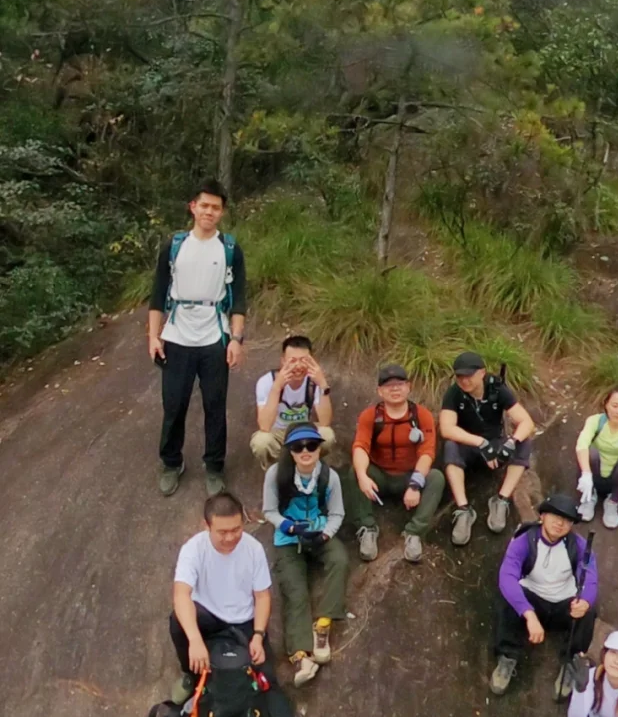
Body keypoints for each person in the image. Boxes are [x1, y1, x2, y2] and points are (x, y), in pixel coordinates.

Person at [171, 491, 326, 717]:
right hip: (207, 616)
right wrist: (195, 639)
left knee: (264, 675)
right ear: (206, 526)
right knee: (177, 621)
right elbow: (181, 594)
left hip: (242, 622)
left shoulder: (252, 548)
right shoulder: (193, 549)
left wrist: (258, 634)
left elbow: (263, 596)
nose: (230, 537)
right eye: (222, 532)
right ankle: (191, 676)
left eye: (236, 529)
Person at [148, 179, 247, 497]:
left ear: (222, 212)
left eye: (215, 207)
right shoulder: (174, 246)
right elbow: (157, 295)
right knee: (174, 404)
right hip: (177, 334)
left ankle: (215, 466)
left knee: (215, 405)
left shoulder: (230, 250)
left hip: (214, 336)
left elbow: (239, 299)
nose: (209, 211)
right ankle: (170, 462)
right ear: (193, 206)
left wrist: (236, 339)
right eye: (204, 205)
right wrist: (154, 336)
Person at [262, 422, 349, 686]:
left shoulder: (329, 477)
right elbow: (269, 510)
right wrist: (288, 525)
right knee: (295, 590)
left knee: (340, 560)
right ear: (290, 451)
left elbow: (337, 513)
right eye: (298, 447)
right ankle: (300, 656)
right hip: (288, 538)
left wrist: (325, 534)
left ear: (319, 448)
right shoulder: (276, 475)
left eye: (311, 445)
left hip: (319, 534)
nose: (305, 451)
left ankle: (322, 625)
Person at [491, 493, 597, 698]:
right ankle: (507, 655)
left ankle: (572, 660)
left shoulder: (579, 546)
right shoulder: (524, 541)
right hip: (532, 599)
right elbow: (507, 576)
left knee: (590, 610)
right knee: (506, 598)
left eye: (567, 519)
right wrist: (528, 614)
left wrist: (584, 601)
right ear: (542, 516)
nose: (560, 523)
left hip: (563, 604)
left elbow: (590, 576)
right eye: (555, 516)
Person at [350, 363, 446, 563]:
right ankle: (367, 528)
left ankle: (415, 532)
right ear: (379, 391)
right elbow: (360, 446)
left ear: (408, 387)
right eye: (388, 385)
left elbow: (427, 452)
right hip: (381, 476)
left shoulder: (422, 415)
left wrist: (415, 484)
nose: (395, 389)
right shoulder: (370, 416)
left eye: (399, 384)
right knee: (355, 471)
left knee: (436, 478)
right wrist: (362, 476)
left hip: (409, 475)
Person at [439, 351, 535, 546]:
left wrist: (511, 442)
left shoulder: (497, 389)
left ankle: (501, 499)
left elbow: (526, 422)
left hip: (496, 445)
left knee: (525, 442)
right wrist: (479, 443)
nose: (464, 381)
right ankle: (463, 509)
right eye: (459, 376)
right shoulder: (454, 393)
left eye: (469, 375)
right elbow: (446, 428)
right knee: (450, 446)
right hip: (469, 445)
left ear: (481, 373)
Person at [251, 335, 335, 469]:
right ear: (283, 361)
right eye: (292, 360)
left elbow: (325, 422)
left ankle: (307, 465)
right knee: (261, 441)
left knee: (327, 435)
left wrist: (323, 385)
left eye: (304, 360)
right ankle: (277, 468)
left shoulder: (314, 380)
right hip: (277, 432)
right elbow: (264, 426)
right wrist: (277, 387)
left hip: (303, 429)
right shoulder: (266, 382)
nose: (298, 366)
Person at [575, 387, 618, 530]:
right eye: (615, 405)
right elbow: (582, 444)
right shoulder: (595, 421)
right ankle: (588, 497)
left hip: (616, 479)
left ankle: (613, 501)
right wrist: (586, 474)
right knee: (591, 452)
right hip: (593, 474)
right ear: (606, 404)